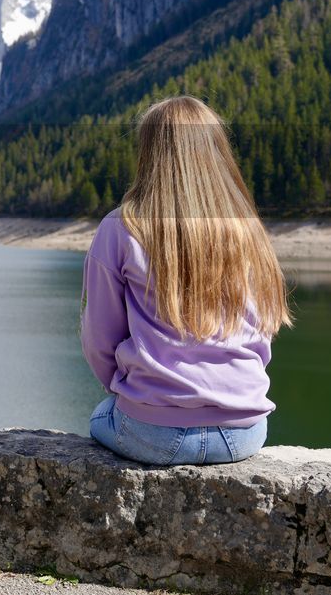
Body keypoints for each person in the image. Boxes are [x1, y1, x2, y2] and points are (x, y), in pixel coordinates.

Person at [81, 96, 292, 465]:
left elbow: (99, 339)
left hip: (153, 433)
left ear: (150, 153)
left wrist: (132, 391)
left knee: (101, 415)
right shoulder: (247, 230)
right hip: (244, 434)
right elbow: (261, 335)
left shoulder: (120, 228)